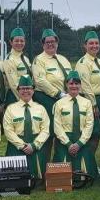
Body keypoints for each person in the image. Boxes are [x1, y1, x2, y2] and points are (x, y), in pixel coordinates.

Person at [32, 28, 72, 160]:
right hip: (47, 99)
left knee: (63, 132)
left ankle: (60, 165)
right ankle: (44, 167)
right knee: (48, 133)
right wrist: (58, 94)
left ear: (57, 43)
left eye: (53, 41)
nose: (50, 44)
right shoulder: (39, 60)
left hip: (65, 99)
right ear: (43, 44)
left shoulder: (64, 59)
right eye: (47, 42)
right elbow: (40, 81)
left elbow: (70, 78)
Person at [3, 75, 50, 180]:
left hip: (36, 145)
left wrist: (34, 145)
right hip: (17, 146)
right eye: (22, 88)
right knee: (15, 179)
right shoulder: (11, 109)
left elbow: (46, 130)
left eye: (28, 88)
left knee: (38, 178)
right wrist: (22, 146)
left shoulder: (41, 108)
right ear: (18, 91)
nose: (25, 91)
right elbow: (8, 130)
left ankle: (38, 179)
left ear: (33, 90)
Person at [52, 71, 96, 178]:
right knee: (60, 177)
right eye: (71, 84)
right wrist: (68, 144)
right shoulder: (59, 103)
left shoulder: (87, 103)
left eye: (77, 84)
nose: (74, 86)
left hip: (82, 139)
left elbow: (89, 124)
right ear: (66, 85)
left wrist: (79, 143)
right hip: (64, 140)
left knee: (88, 174)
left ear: (80, 85)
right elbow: (57, 126)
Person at [76, 31, 100, 154]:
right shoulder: (83, 63)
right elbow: (85, 85)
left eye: (96, 43)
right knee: (91, 133)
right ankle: (86, 163)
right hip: (91, 102)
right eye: (91, 43)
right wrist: (93, 104)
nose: (94, 46)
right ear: (85, 46)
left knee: (97, 134)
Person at [3, 27, 33, 105]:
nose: (19, 43)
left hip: (27, 95)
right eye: (16, 41)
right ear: (11, 42)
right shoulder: (9, 59)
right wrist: (24, 100)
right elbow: (14, 84)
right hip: (15, 97)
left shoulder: (25, 59)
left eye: (21, 41)